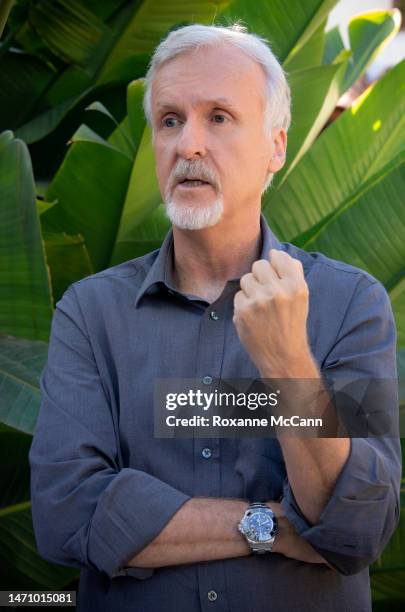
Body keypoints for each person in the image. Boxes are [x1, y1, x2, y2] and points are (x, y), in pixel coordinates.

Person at [29, 23, 401, 612]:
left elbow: (359, 527)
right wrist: (271, 526)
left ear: (276, 145)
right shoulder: (91, 313)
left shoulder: (350, 304)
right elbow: (67, 514)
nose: (189, 145)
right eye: (171, 120)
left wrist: (286, 364)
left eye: (219, 117)